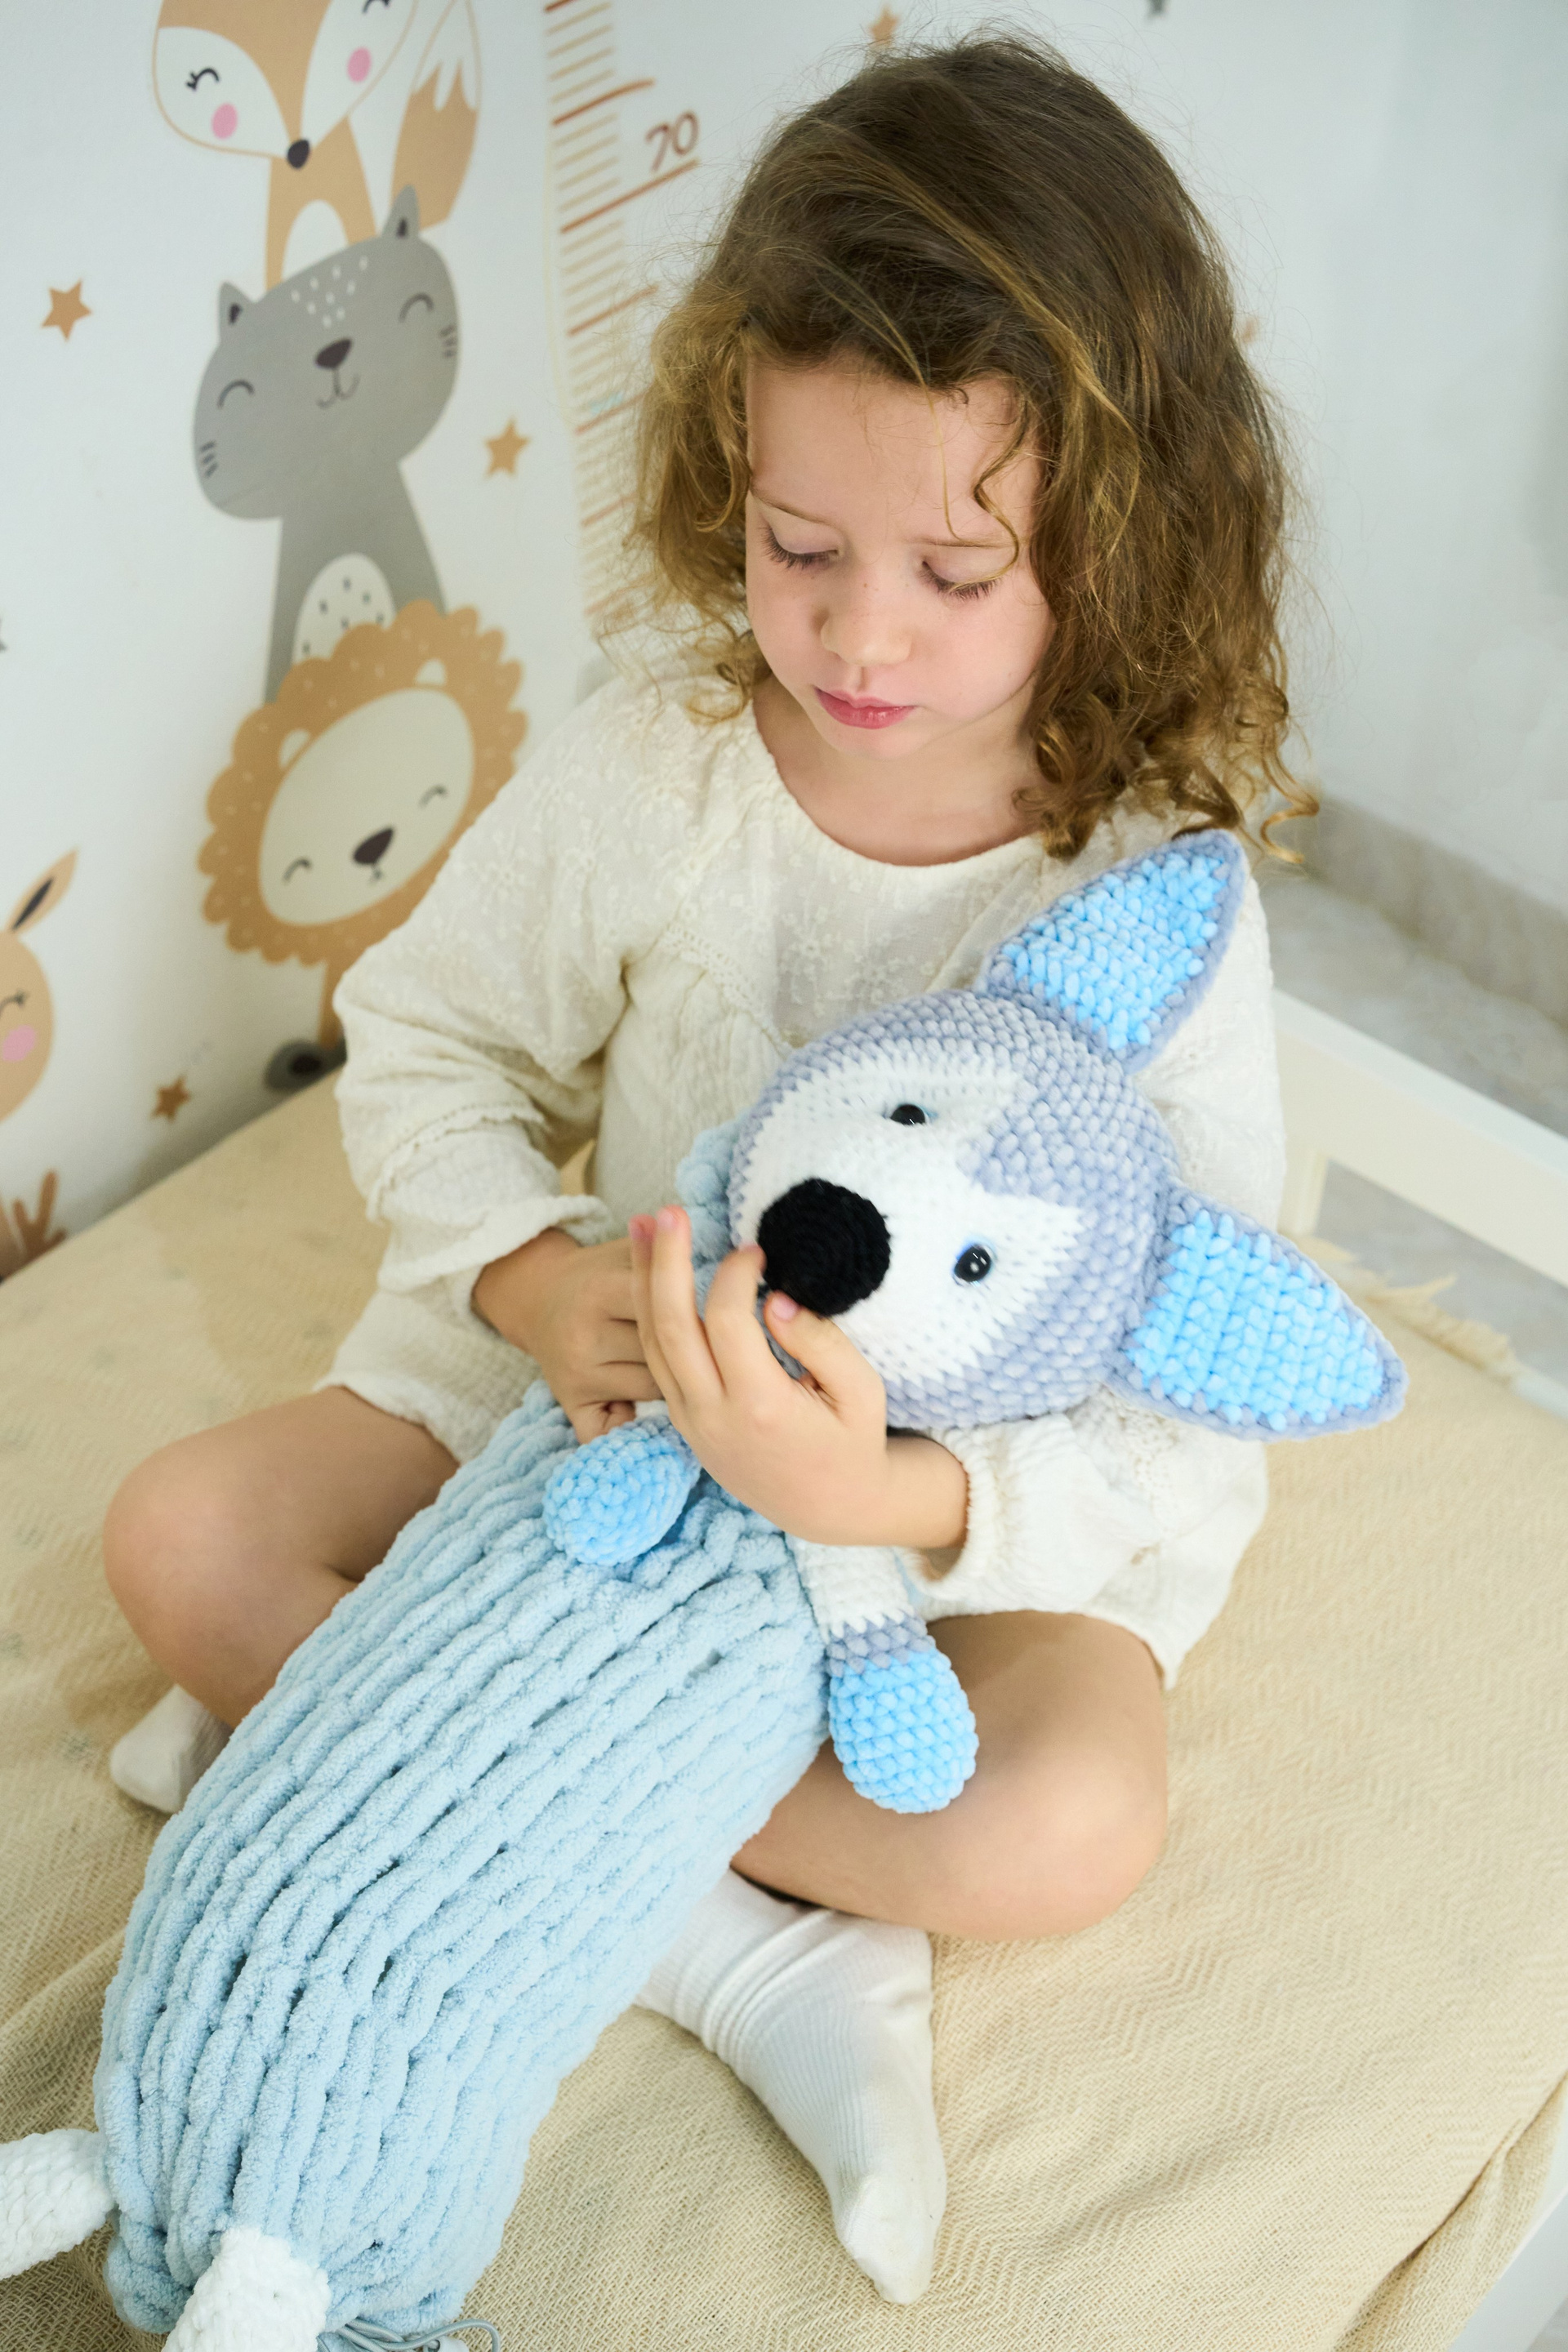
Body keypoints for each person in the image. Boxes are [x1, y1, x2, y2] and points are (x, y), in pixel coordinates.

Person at [103, 33, 1307, 2305]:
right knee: (185, 1540)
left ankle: (447, 1786)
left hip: (910, 1531)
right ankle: (734, 1949)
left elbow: (1188, 1380)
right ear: (725, 479)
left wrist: (900, 1499)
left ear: (1120, 539)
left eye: (958, 567)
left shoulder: (1151, 902)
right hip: (604, 1429)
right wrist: (532, 1279)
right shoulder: (657, 768)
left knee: (1074, 1815)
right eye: (798, 546)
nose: (860, 632)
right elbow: (432, 1040)